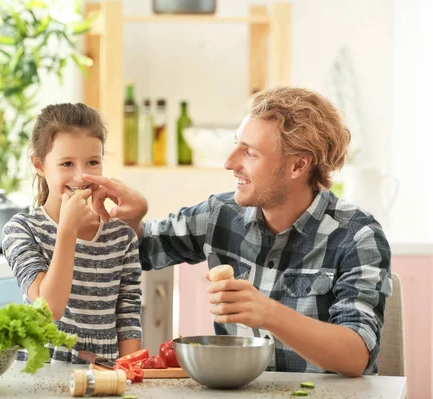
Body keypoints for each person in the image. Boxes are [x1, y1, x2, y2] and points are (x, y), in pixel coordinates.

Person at [84, 87, 392, 377]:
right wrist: (134, 221)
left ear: (298, 165)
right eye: (236, 145)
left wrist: (269, 314)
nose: (230, 162)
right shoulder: (221, 214)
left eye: (250, 153)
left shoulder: (357, 236)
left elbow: (356, 355)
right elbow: (139, 251)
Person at [2, 103, 142, 364]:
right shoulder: (21, 230)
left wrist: (129, 374)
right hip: (39, 376)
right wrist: (67, 230)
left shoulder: (121, 237)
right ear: (39, 164)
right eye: (66, 163)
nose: (81, 176)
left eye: (93, 162)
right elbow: (50, 307)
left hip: (104, 375)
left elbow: (128, 317)